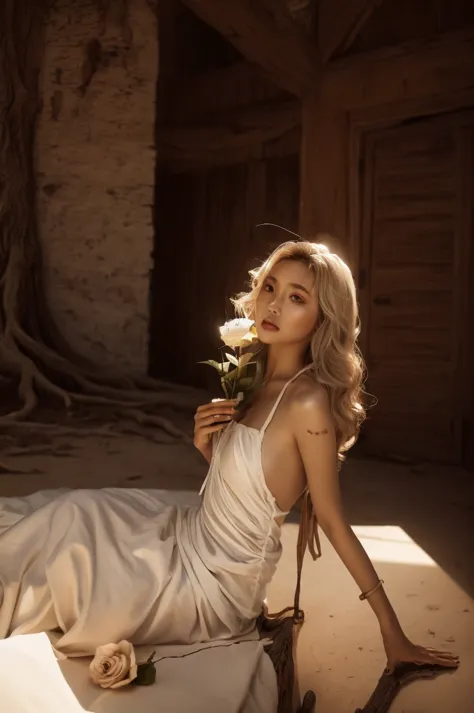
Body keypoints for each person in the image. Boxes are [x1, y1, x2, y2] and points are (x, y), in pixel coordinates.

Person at [0, 240, 459, 681]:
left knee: (69, 558)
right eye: (270, 288)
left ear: (323, 319)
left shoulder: (307, 402)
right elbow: (251, 482)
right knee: (71, 511)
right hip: (191, 531)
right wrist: (209, 448)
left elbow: (333, 521)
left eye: (297, 297)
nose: (274, 305)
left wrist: (392, 633)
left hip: (212, 588)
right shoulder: (254, 380)